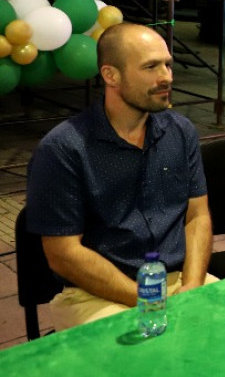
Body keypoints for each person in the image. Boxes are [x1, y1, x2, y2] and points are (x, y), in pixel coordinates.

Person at [25, 23, 214, 331]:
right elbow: (63, 254)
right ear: (111, 75)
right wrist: (151, 299)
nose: (166, 76)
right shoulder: (63, 148)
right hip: (96, 293)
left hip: (177, 279)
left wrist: (193, 285)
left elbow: (197, 215)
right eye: (151, 66)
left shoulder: (180, 131)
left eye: (168, 64)